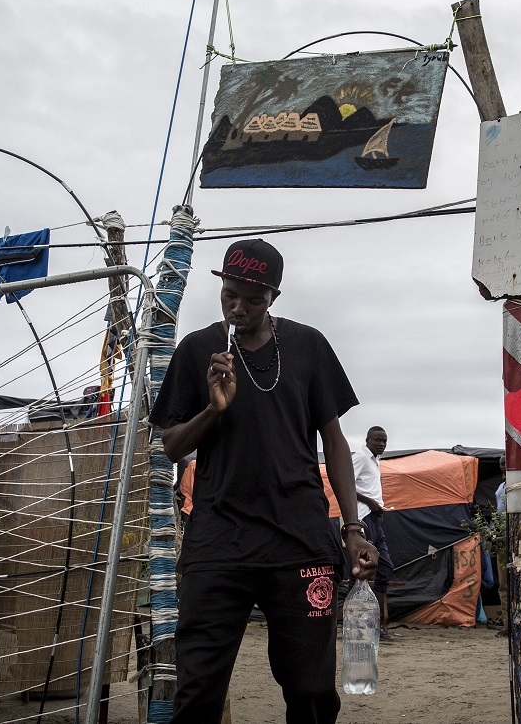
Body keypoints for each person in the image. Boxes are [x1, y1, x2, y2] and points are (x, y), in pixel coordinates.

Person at [152, 239, 377, 724]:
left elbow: (334, 442)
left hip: (299, 539)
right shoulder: (198, 350)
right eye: (230, 295)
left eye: (253, 299)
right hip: (218, 540)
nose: (239, 307)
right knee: (198, 689)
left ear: (274, 295)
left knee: (311, 690)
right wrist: (213, 408)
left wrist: (353, 528)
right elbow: (172, 446)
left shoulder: (307, 345)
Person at [350, 425, 395, 641]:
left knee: (385, 567)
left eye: (384, 441)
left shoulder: (375, 461)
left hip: (377, 519)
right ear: (367, 439)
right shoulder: (360, 457)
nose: (381, 444)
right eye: (377, 440)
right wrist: (370, 502)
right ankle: (358, 626)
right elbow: (347, 484)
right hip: (364, 519)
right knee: (360, 570)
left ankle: (376, 622)